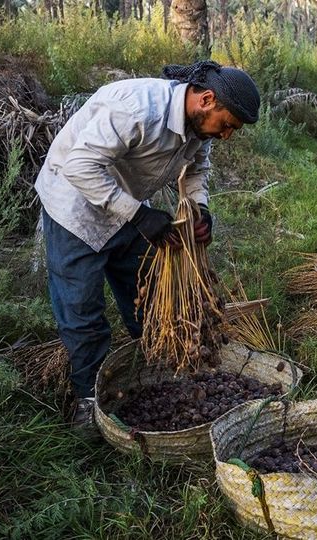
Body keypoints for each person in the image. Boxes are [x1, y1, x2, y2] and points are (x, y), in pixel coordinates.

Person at [34, 60, 260, 436]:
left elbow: (197, 171)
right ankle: (89, 399)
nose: (226, 137)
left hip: (127, 206)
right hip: (74, 206)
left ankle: (154, 369)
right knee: (82, 311)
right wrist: (139, 216)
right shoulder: (138, 108)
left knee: (147, 294)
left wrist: (199, 207)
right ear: (206, 100)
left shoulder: (198, 129)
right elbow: (81, 167)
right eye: (227, 126)